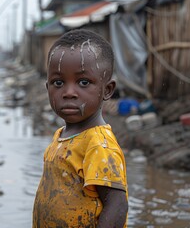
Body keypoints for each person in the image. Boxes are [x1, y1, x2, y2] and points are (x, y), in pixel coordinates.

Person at [33, 29, 128, 228]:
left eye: (83, 82)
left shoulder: (98, 144)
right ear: (47, 87)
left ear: (107, 90)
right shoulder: (61, 136)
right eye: (58, 82)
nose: (68, 93)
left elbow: (117, 205)